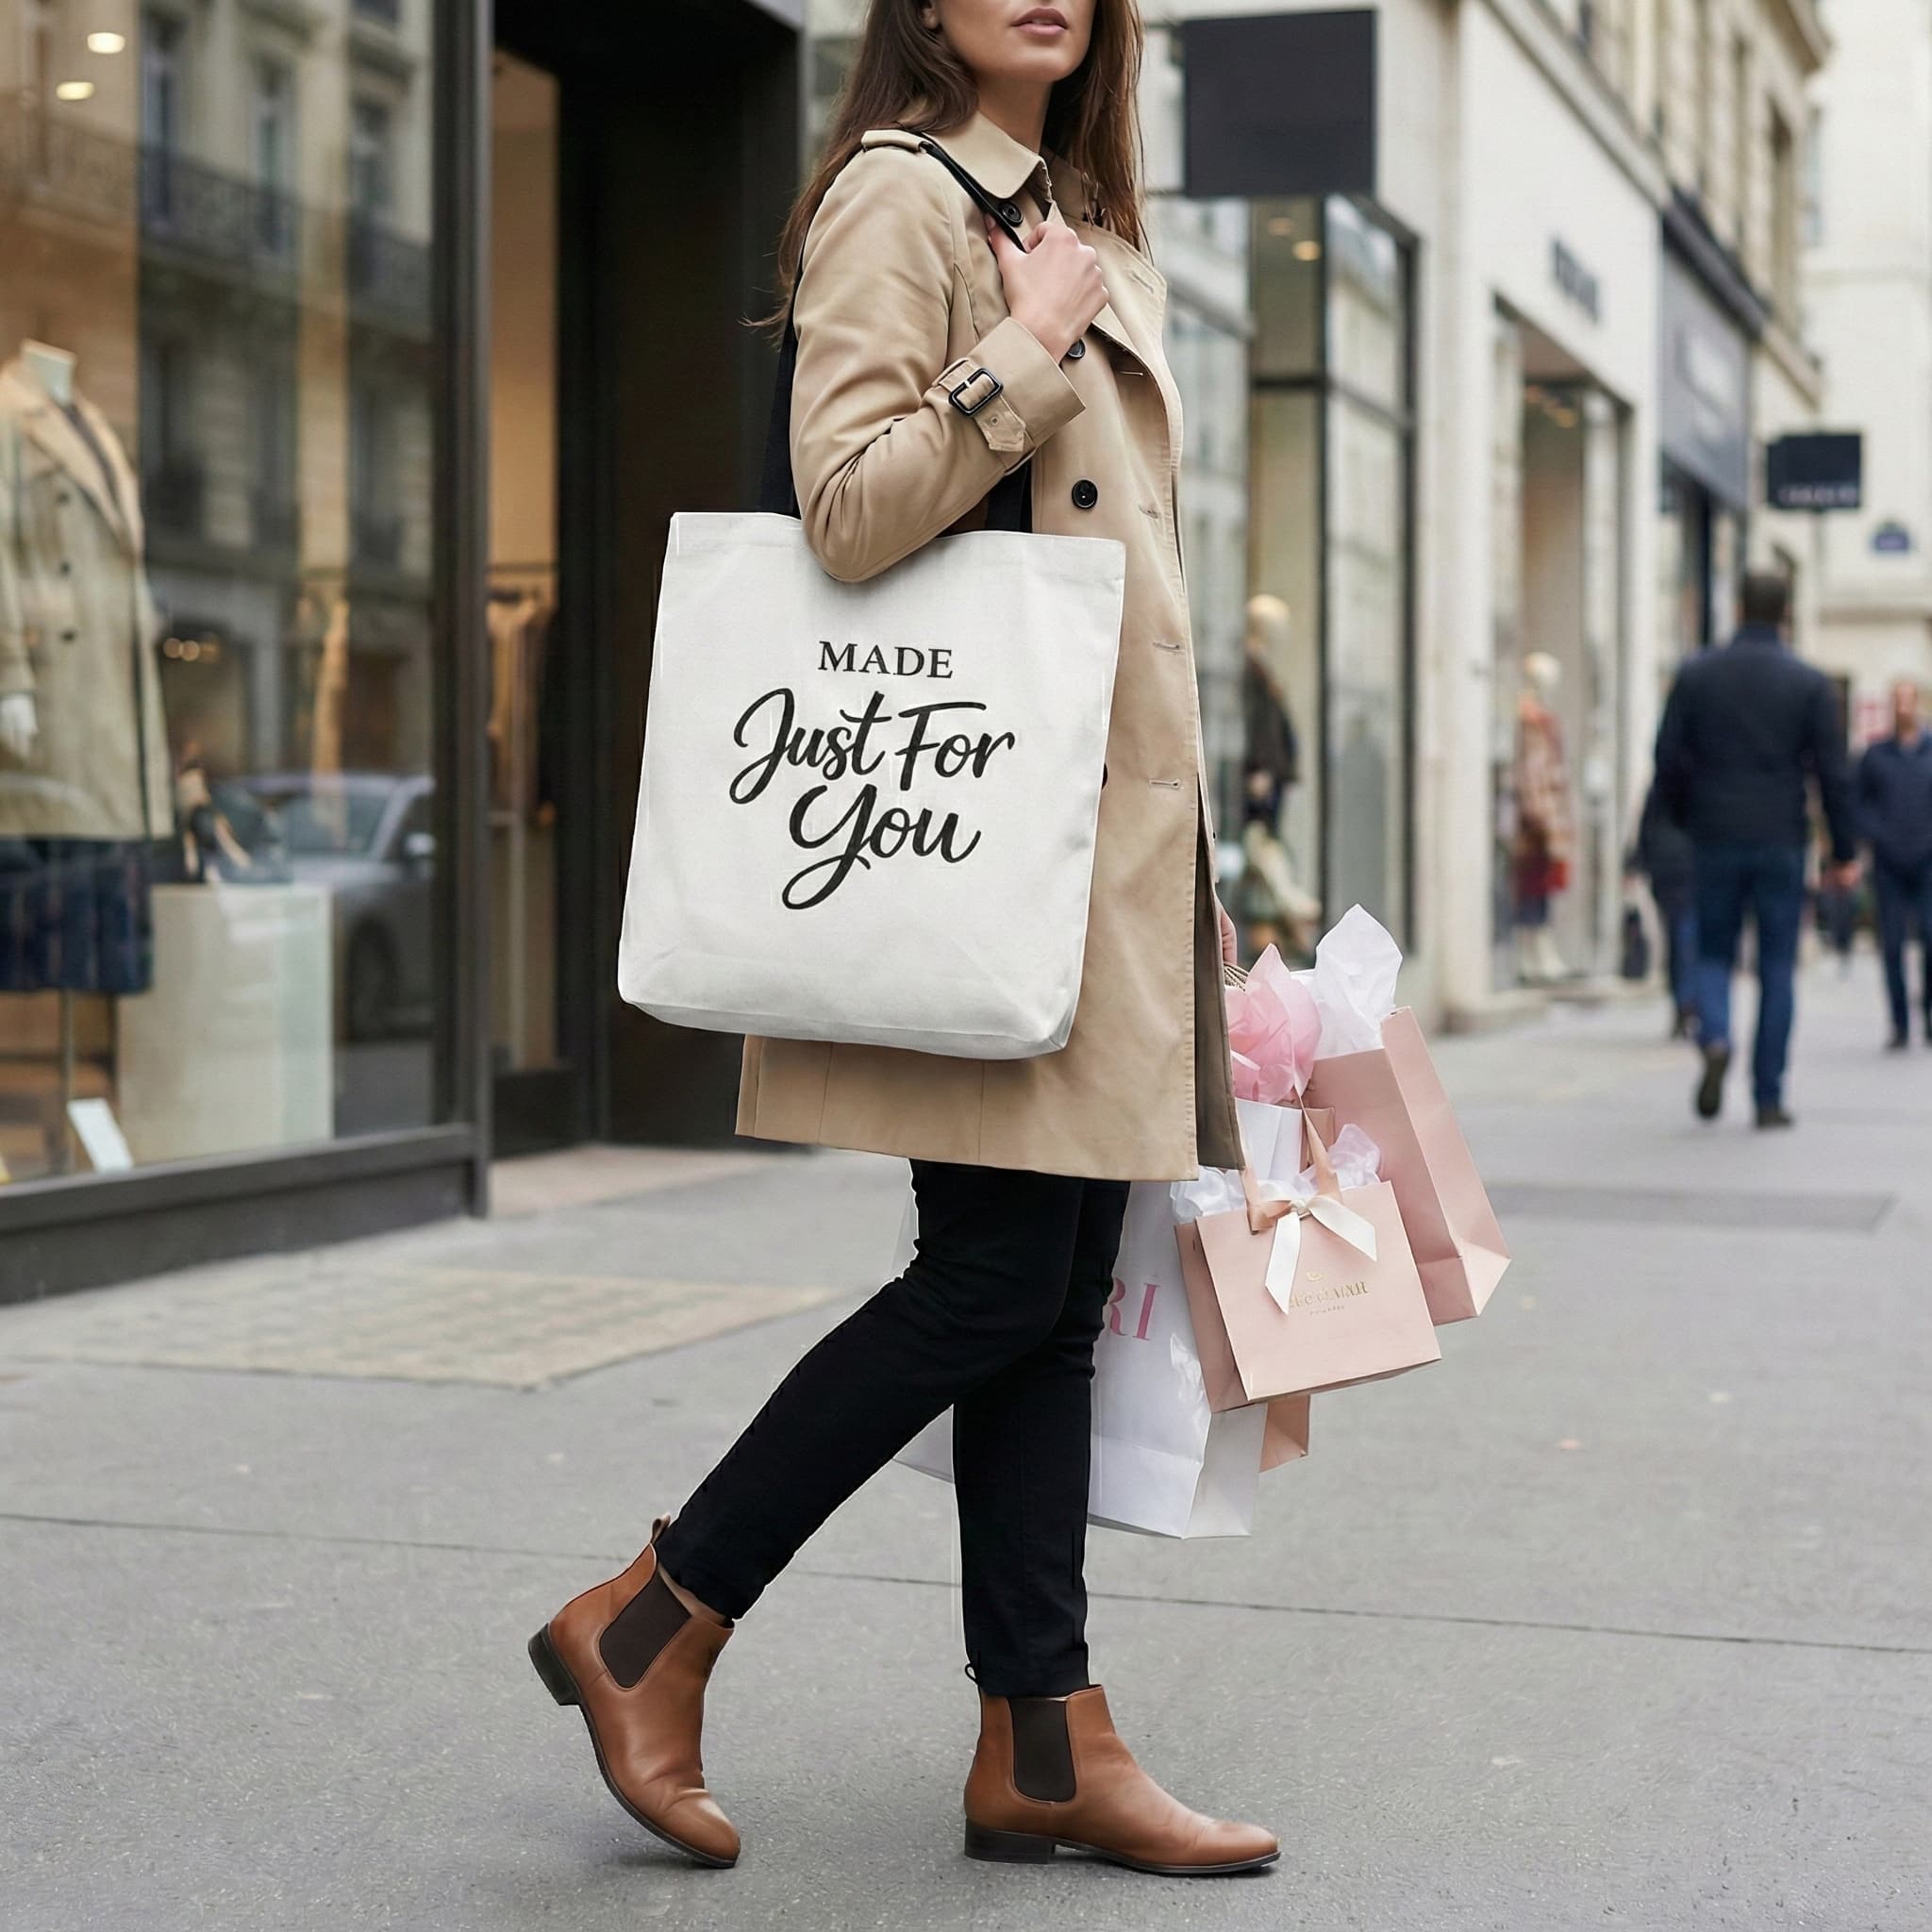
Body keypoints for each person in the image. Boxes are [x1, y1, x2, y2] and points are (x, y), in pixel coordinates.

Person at [526, 0, 1278, 1880]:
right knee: (992, 1287)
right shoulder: (903, 200)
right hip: (983, 845)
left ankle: (1041, 1742)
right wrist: (1019, 354)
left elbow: (1128, 589)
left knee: (1034, 1298)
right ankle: (651, 1618)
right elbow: (848, 513)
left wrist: (1188, 852)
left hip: (1087, 863)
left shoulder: (1064, 210)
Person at [1655, 570, 1859, 1127]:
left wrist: (1683, 816)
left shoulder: (1698, 676)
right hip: (1780, 839)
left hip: (1715, 834)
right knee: (1775, 966)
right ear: (1786, 613)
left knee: (1714, 951)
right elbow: (1833, 774)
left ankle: (1716, 1036)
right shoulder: (1809, 684)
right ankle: (1768, 1097)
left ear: (1738, 607)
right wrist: (1843, 849)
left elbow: (1667, 758)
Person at [1857, 678, 1932, 1048]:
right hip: (1889, 862)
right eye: (1896, 701)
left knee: (1931, 939)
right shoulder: (1875, 755)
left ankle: (1929, 1017)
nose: (1903, 708)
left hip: (1928, 861)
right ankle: (1900, 1023)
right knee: (1892, 945)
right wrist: (1876, 835)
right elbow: (1861, 803)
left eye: (1908, 701)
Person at [1630, 779, 1698, 1037]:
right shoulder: (1705, 778)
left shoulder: (1663, 782)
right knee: (1688, 935)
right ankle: (1687, 999)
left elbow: (1647, 823)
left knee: (1677, 936)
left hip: (1665, 869)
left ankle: (1683, 1001)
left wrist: (1636, 860)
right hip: (1689, 868)